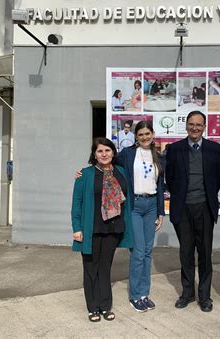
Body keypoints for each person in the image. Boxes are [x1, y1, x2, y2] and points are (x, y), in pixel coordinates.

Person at [165, 110, 220, 312]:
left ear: (204, 127)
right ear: (186, 125)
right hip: (182, 208)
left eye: (199, 125)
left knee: (205, 253)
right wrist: (182, 195)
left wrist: (205, 196)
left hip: (205, 207)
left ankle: (205, 296)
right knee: (186, 252)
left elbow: (218, 178)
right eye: (191, 124)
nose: (195, 128)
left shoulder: (214, 149)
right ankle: (188, 293)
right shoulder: (174, 149)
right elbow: (170, 179)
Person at [71, 138, 133, 322]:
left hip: (113, 228)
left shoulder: (120, 171)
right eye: (100, 151)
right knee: (91, 268)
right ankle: (93, 307)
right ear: (94, 154)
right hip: (92, 227)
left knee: (105, 268)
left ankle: (105, 306)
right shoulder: (85, 174)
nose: (104, 154)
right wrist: (77, 228)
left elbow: (127, 198)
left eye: (107, 150)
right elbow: (77, 203)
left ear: (113, 152)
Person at [115, 121, 165, 312]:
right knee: (138, 251)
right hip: (134, 205)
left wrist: (160, 211)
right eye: (141, 134)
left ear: (153, 134)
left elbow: (159, 185)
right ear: (136, 136)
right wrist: (85, 172)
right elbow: (107, 162)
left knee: (147, 252)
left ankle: (144, 294)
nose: (145, 137)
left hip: (151, 205)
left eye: (147, 133)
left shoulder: (158, 157)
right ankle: (135, 296)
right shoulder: (127, 154)